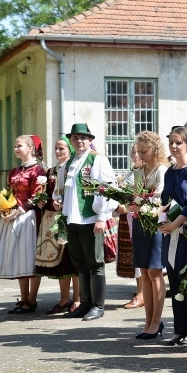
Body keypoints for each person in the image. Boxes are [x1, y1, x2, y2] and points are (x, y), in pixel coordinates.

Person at [56, 124, 119, 321]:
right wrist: (58, 200)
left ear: (90, 140)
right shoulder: (68, 164)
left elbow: (108, 189)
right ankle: (84, 304)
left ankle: (98, 306)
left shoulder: (97, 159)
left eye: (83, 137)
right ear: (71, 141)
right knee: (80, 264)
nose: (79, 141)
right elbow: (59, 189)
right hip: (72, 220)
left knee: (95, 263)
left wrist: (101, 218)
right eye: (75, 138)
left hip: (91, 220)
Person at [0, 135, 47, 314]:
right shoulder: (14, 171)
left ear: (30, 148)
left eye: (19, 146)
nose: (15, 149)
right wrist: (4, 206)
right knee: (19, 257)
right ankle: (23, 298)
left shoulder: (38, 171)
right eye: (14, 146)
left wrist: (17, 211)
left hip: (29, 217)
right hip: (13, 216)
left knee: (30, 256)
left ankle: (32, 299)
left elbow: (38, 197)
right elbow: (9, 194)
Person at [160, 126, 187, 345]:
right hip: (171, 233)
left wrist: (175, 223)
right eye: (171, 143)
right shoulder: (170, 171)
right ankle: (180, 328)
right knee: (175, 281)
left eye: (178, 143)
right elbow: (164, 200)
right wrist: (161, 220)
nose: (174, 147)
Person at [124, 131, 169, 339]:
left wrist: (137, 203)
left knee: (155, 272)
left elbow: (159, 198)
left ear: (155, 149)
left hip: (157, 224)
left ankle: (157, 322)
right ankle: (148, 321)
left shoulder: (162, 170)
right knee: (143, 272)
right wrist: (127, 203)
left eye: (144, 151)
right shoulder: (137, 171)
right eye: (138, 151)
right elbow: (130, 195)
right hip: (141, 223)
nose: (140, 155)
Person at [34, 136, 79, 314]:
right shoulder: (50, 171)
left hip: (70, 219)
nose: (58, 152)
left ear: (69, 150)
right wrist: (42, 201)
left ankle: (77, 299)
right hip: (52, 220)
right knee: (61, 264)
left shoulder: (74, 168)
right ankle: (64, 299)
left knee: (73, 261)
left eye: (62, 148)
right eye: (56, 148)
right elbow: (46, 194)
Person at [119, 144, 143, 308]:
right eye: (133, 151)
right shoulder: (131, 172)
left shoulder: (145, 172)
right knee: (136, 256)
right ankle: (140, 291)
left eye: (138, 152)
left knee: (141, 257)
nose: (135, 155)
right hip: (128, 217)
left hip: (140, 217)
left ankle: (142, 294)